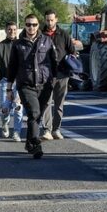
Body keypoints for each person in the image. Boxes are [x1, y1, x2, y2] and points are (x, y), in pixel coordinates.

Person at [6, 14, 58, 159]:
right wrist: (9, 88)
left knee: (37, 116)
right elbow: (12, 67)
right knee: (34, 113)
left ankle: (29, 143)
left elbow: (54, 62)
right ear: (25, 25)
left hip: (45, 85)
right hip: (26, 85)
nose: (31, 27)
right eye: (28, 24)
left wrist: (53, 80)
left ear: (38, 25)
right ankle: (36, 145)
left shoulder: (47, 41)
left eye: (34, 25)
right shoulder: (18, 44)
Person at [39, 10, 81, 140]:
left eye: (52, 20)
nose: (49, 22)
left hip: (62, 74)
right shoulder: (40, 35)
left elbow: (72, 51)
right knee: (46, 103)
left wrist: (72, 60)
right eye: (47, 20)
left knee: (59, 104)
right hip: (46, 76)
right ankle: (47, 130)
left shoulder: (63, 34)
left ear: (56, 19)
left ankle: (56, 130)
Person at [0, 22, 23, 141]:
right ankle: (5, 124)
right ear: (5, 30)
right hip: (5, 81)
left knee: (18, 107)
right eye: (9, 29)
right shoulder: (0, 46)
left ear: (17, 30)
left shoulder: (21, 44)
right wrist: (0, 77)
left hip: (19, 81)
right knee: (5, 108)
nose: (12, 31)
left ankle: (17, 132)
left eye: (14, 29)